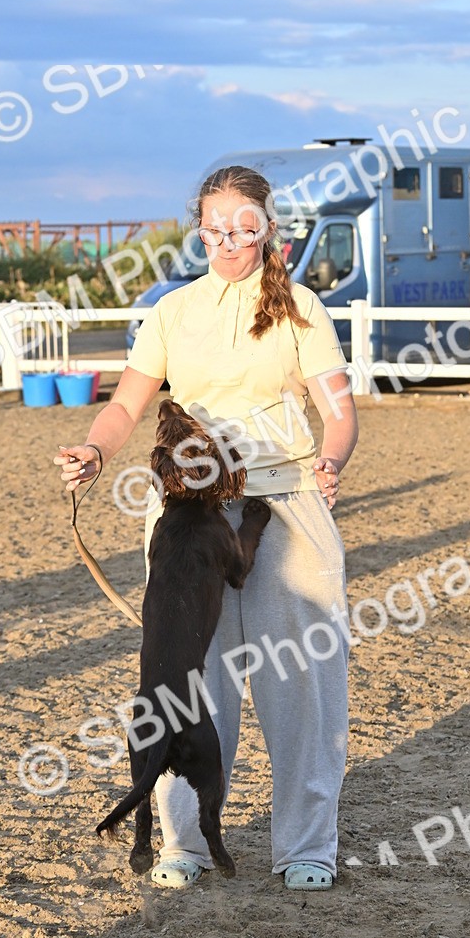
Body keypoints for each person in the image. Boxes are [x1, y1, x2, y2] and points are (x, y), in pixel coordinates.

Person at [54, 165, 359, 891]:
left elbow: (340, 413)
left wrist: (332, 462)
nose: (230, 239)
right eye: (217, 227)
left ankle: (307, 846)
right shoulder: (171, 311)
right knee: (187, 682)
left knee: (305, 689)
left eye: (245, 227)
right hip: (188, 520)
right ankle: (182, 843)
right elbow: (127, 406)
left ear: (267, 230)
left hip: (286, 507)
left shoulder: (302, 309)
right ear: (200, 229)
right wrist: (96, 450)